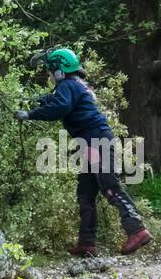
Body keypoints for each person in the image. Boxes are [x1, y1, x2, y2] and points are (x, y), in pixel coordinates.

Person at [15, 48, 151, 257]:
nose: (50, 76)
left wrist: (30, 114)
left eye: (50, 71)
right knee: (86, 193)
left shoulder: (66, 86)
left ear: (59, 71)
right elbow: (53, 99)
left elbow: (59, 107)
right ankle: (87, 243)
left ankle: (137, 229)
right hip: (91, 141)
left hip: (95, 140)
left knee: (108, 185)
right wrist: (34, 100)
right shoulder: (76, 85)